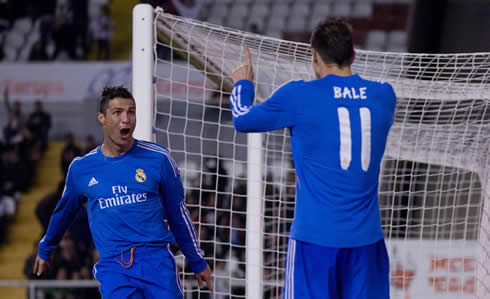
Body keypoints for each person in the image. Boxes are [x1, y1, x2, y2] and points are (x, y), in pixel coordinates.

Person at [230, 18, 396, 299]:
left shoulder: (299, 95)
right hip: (367, 243)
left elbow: (242, 119)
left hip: (314, 241)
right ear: (353, 55)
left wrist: (242, 85)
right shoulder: (384, 95)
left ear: (314, 56)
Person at [34, 86, 213, 298]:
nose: (126, 119)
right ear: (102, 118)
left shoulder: (159, 159)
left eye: (131, 111)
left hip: (158, 263)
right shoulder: (82, 169)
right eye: (117, 112)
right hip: (115, 267)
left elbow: (177, 214)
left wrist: (197, 260)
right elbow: (63, 214)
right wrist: (46, 248)